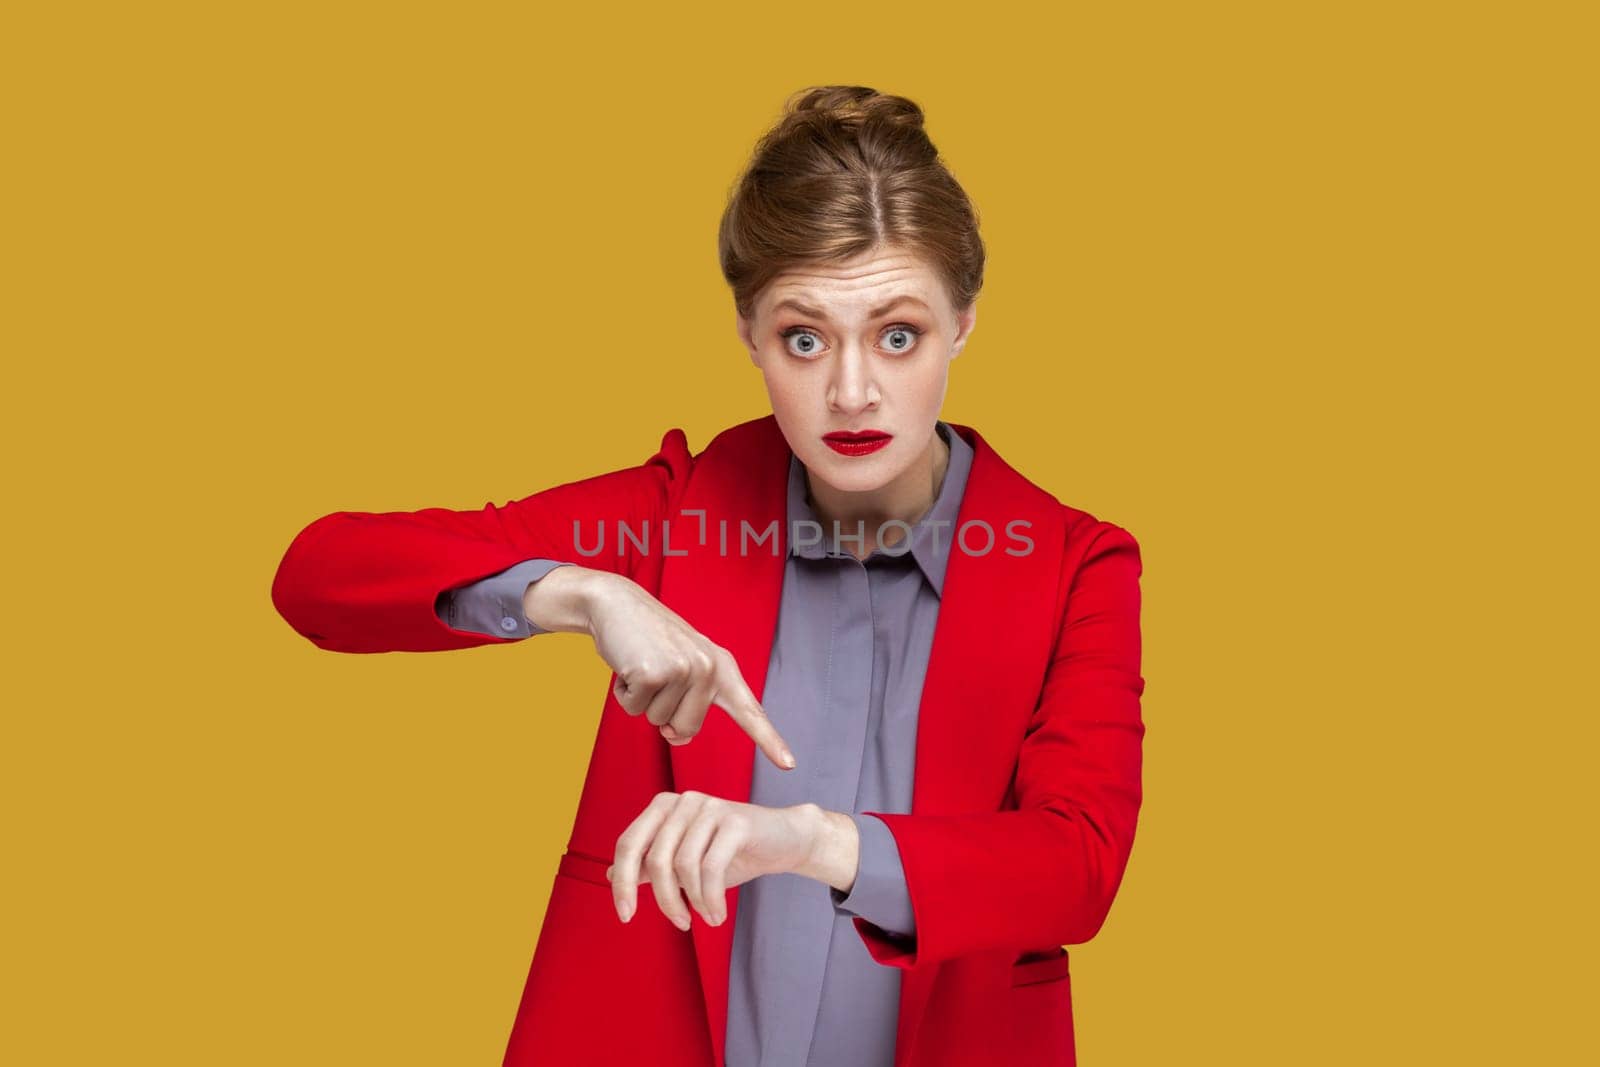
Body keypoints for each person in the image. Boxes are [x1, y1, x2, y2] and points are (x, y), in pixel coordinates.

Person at [271, 85, 1144, 1067]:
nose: (851, 389)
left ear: (964, 322)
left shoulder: (1073, 562)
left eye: (897, 335)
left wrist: (812, 841)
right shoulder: (675, 511)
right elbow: (319, 574)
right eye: (802, 337)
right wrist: (586, 592)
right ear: (748, 333)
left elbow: (1078, 864)